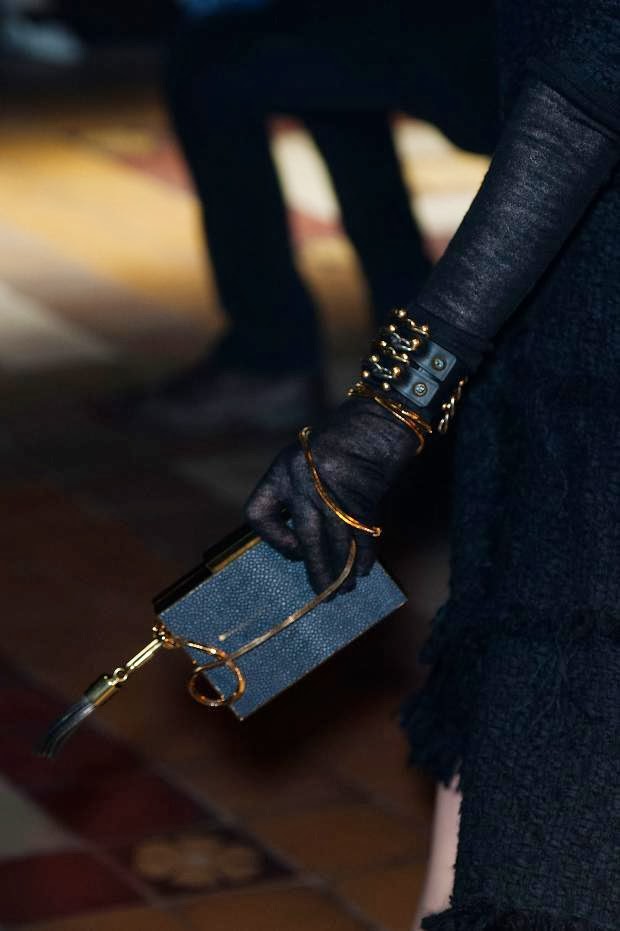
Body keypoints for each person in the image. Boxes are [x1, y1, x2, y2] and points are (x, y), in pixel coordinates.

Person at [244, 0, 620, 927]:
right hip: (548, 364)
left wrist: (393, 403)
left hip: (591, 423)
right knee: (484, 836)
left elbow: (591, 82)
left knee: (543, 860)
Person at [131, 0, 497, 434]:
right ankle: (416, 348)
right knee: (322, 60)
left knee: (209, 67)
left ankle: (272, 357)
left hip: (494, 40)